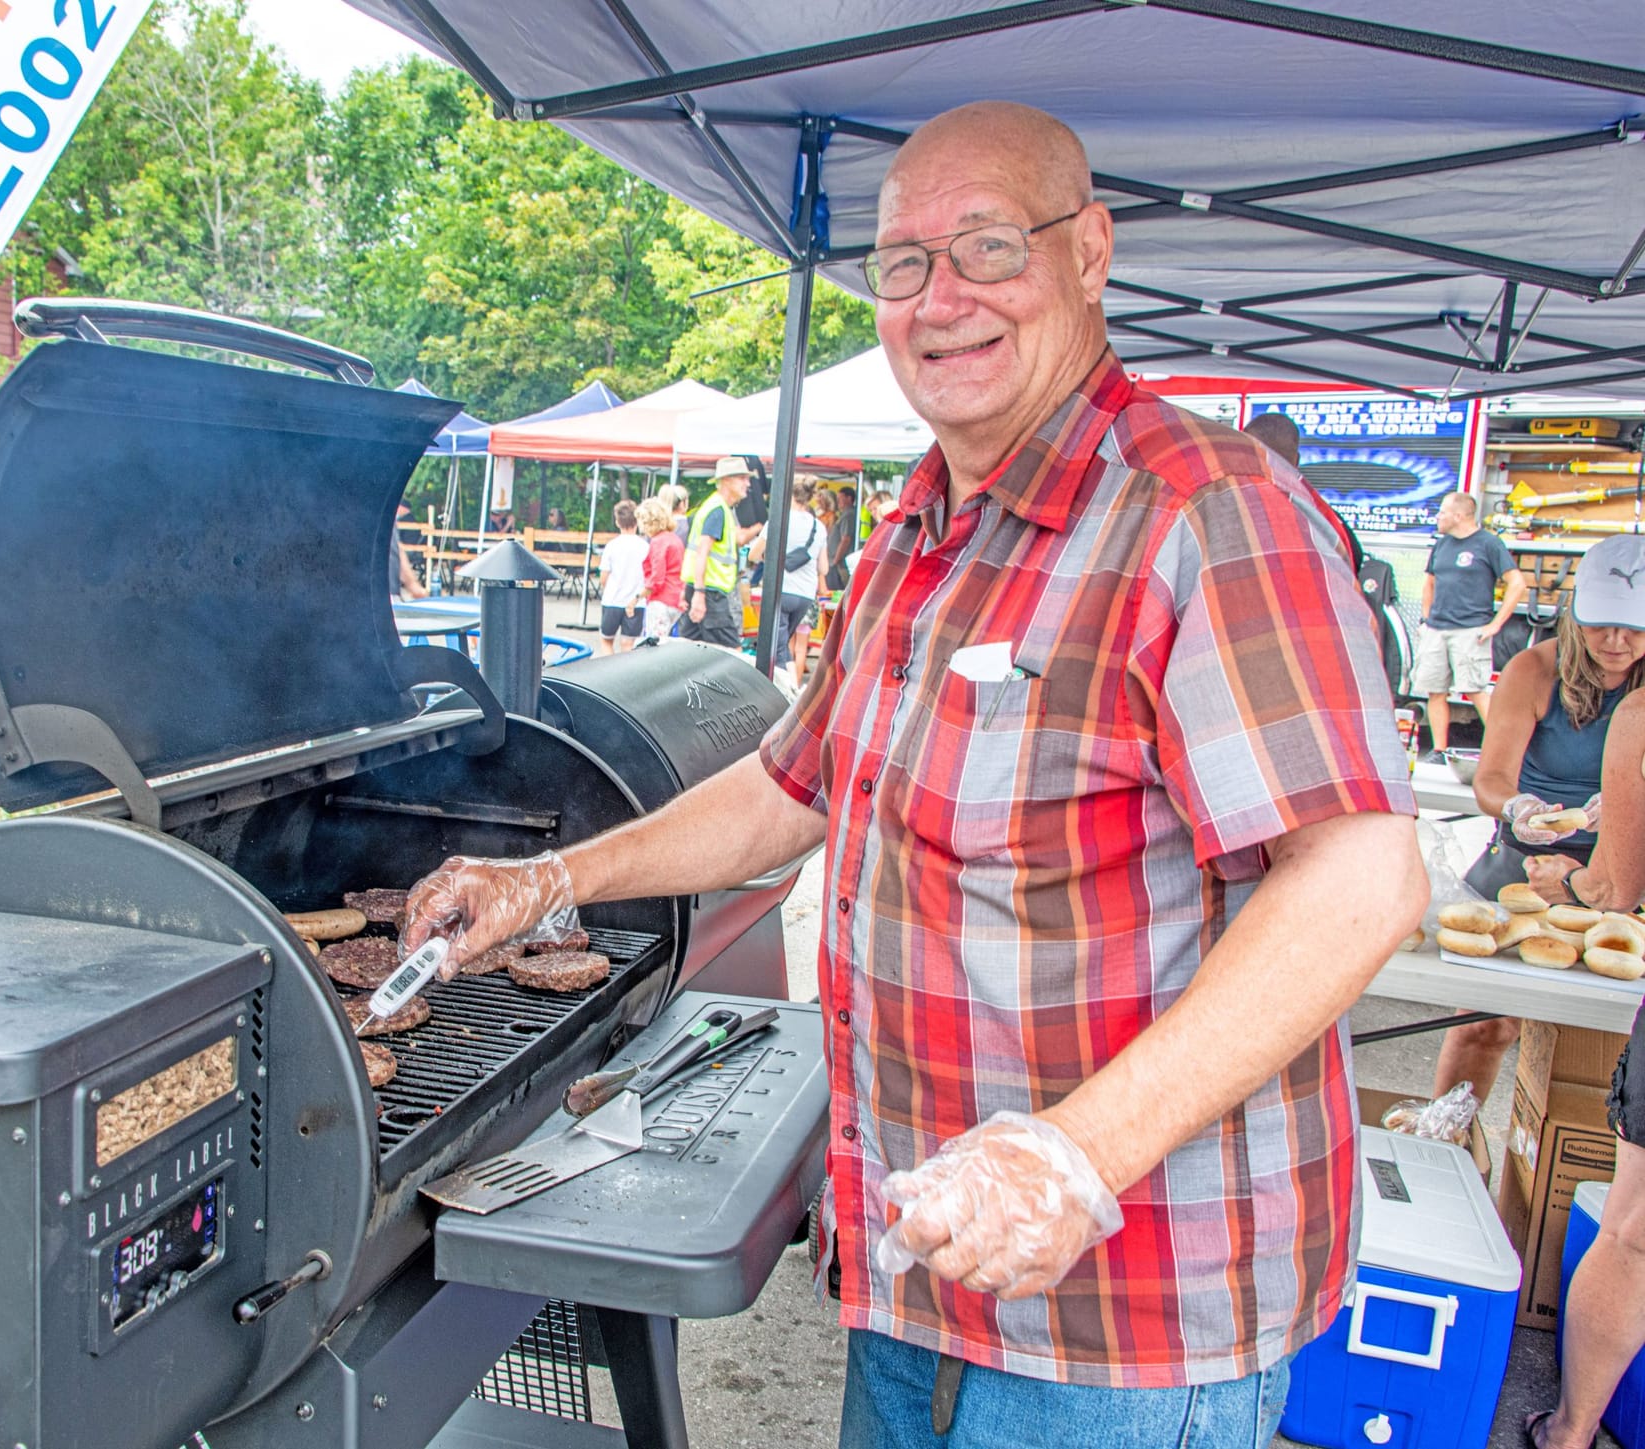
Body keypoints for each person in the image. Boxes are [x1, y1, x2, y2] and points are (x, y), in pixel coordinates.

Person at [402, 101, 1422, 1445]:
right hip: (918, 1269)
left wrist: (1074, 1153)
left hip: (1120, 1329)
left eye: (989, 247)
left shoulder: (1205, 513)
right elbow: (792, 785)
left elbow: (1360, 877)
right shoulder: (915, 534)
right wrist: (552, 879)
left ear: (1092, 251)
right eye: (900, 264)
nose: (941, 300)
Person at [1433, 534, 1645, 1105]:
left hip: (1622, 877)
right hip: (1527, 869)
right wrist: (1519, 808)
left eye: (1634, 627)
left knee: (1605, 1041)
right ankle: (1450, 1137)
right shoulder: (1535, 669)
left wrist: (1627, 805)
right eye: (1601, 625)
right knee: (1487, 1024)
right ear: (1575, 611)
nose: (1617, 642)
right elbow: (1491, 780)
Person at [1514, 573, 1645, 1449]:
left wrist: (1571, 875)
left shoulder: (1639, 716)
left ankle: (1569, 1432)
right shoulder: (1532, 671)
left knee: (1634, 1232)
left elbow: (1613, 886)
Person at [1415, 491, 1527, 762]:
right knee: (1435, 691)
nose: (1438, 517)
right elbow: (1429, 583)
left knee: (1475, 690)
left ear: (1459, 515)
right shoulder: (1442, 545)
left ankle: (1502, 754)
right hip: (1436, 629)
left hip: (1470, 629)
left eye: (1442, 512)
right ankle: (1439, 750)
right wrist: (1425, 620)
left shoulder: (1489, 544)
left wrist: (1495, 624)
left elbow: (1518, 583)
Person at [748, 477, 825, 691]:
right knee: (784, 644)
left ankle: (789, 691)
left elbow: (754, 555)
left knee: (779, 646)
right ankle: (789, 687)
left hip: (780, 590)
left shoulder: (779, 520)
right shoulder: (818, 526)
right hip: (806, 594)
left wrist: (770, 558)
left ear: (788, 494)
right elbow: (824, 568)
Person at [682, 457, 762, 650]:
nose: (747, 484)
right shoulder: (717, 510)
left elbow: (736, 539)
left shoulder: (718, 507)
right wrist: (700, 594)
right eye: (742, 478)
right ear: (727, 480)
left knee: (688, 647)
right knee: (732, 651)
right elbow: (703, 551)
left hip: (705, 588)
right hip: (710, 591)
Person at [596, 499, 649, 654]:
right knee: (628, 645)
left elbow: (604, 576)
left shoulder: (612, 546)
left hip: (613, 599)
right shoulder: (645, 546)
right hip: (636, 602)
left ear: (617, 522)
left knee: (606, 641)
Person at [636, 498, 684, 640]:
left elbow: (657, 579)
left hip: (661, 601)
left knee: (653, 643)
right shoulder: (675, 539)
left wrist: (637, 598)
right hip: (676, 600)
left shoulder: (658, 542)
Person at [825, 482, 858, 596]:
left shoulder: (848, 515)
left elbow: (846, 539)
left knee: (836, 593)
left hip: (839, 565)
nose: (838, 502)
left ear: (849, 498)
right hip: (836, 562)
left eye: (840, 499)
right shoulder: (844, 514)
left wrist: (835, 560)